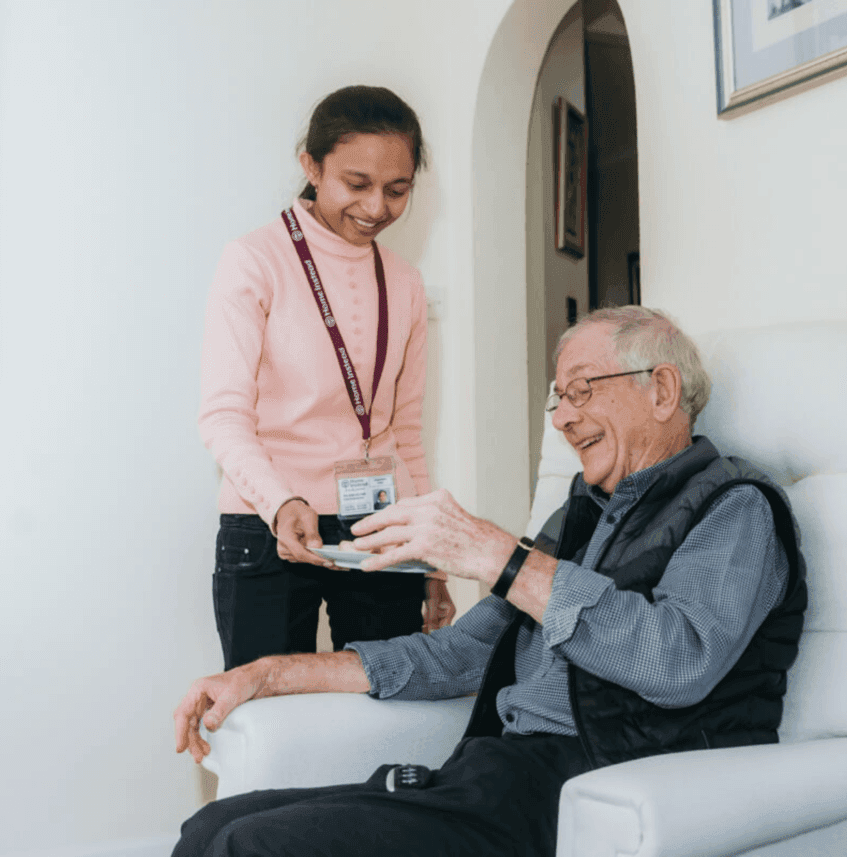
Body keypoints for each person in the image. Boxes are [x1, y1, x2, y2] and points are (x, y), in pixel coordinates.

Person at [174, 306, 808, 857]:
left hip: (581, 789)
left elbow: (678, 660)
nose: (562, 418)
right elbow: (460, 652)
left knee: (249, 848)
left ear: (662, 390)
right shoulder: (582, 516)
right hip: (490, 772)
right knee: (213, 827)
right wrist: (265, 676)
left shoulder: (735, 508)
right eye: (558, 398)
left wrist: (502, 557)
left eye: (581, 392)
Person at [199, 85, 454, 670]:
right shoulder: (254, 260)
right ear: (310, 166)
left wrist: (430, 555)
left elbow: (404, 432)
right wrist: (280, 500)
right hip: (268, 521)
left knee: (387, 705)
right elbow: (223, 416)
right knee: (265, 720)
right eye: (356, 184)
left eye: (398, 189)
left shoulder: (405, 281)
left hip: (379, 524)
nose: (375, 208)